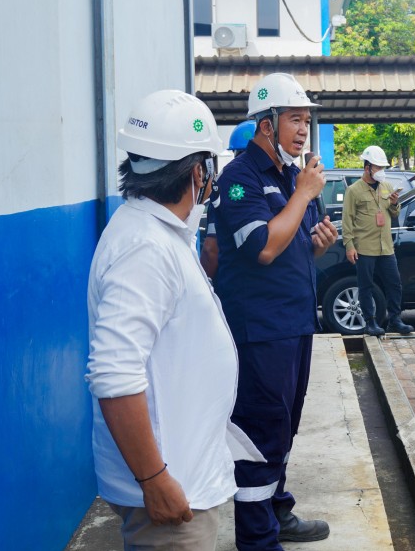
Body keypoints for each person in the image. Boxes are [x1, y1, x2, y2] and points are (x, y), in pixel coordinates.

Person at [86, 90, 242, 550]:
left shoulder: (158, 232)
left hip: (187, 472)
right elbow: (114, 375)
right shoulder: (145, 248)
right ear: (198, 173)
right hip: (173, 495)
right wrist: (154, 479)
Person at [214, 73, 339, 550]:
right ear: (266, 124)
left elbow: (293, 244)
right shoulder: (240, 178)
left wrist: (317, 245)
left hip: (295, 324)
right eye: (294, 119)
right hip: (261, 329)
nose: (304, 130)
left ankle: (277, 511)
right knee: (259, 429)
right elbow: (263, 248)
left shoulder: (291, 176)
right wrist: (303, 194)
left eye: (307, 120)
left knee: (285, 425)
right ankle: (257, 539)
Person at [342, 145, 414, 337]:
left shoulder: (387, 187)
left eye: (383, 167)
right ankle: (370, 322)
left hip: (386, 247)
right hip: (364, 247)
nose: (381, 171)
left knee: (394, 283)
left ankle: (395, 319)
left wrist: (394, 203)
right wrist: (349, 246)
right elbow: (347, 219)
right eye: (378, 167)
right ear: (367, 167)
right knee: (366, 286)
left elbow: (394, 213)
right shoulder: (354, 190)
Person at [202, 120, 256, 280]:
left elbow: (211, 249)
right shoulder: (278, 186)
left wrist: (203, 285)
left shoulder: (225, 184)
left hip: (235, 283)